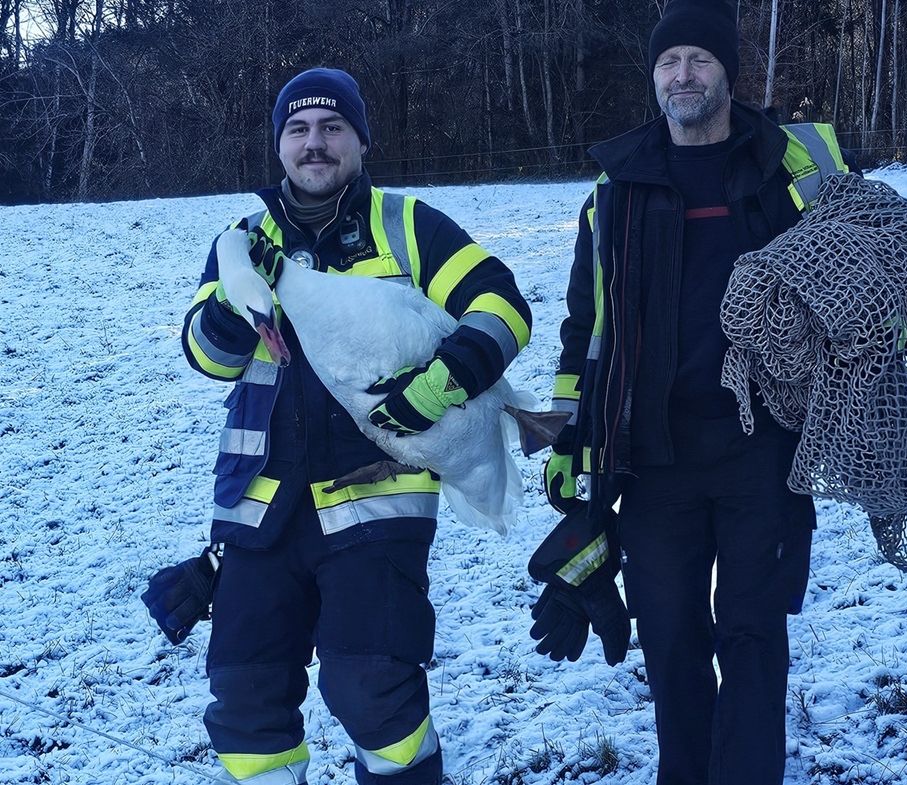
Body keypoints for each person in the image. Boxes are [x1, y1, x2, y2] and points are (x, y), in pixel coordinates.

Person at [180, 67, 532, 785]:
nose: (315, 144)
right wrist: (229, 307)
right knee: (246, 694)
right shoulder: (242, 240)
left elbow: (502, 305)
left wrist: (439, 385)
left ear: (360, 140)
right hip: (258, 511)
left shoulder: (407, 227)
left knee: (372, 686)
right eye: (298, 129)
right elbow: (205, 357)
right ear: (278, 146)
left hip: (373, 507)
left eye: (332, 127)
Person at [535, 2, 852, 784]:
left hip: (762, 449)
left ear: (725, 72)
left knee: (750, 631)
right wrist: (573, 438)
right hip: (654, 457)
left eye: (698, 61)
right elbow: (587, 326)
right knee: (670, 636)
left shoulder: (793, 171)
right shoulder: (616, 186)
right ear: (653, 78)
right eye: (668, 62)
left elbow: (864, 274)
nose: (683, 75)